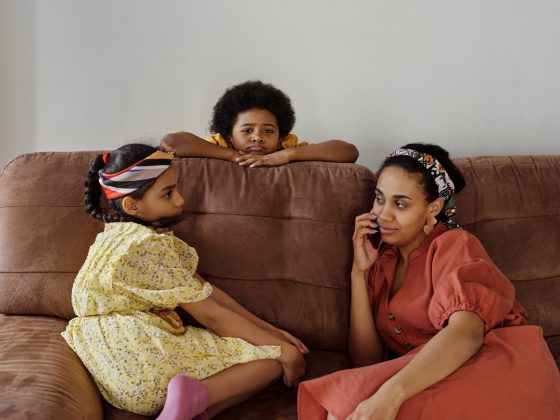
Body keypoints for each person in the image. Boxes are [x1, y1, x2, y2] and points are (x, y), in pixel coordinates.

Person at [297, 144, 560, 419]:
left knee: (350, 408)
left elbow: (467, 334)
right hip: (437, 377)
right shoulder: (382, 260)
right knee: (346, 402)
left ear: (433, 207)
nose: (383, 214)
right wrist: (358, 273)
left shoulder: (454, 245)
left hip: (498, 369)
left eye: (400, 204)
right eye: (379, 199)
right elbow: (367, 361)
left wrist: (389, 396)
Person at [61, 143, 308, 419]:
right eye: (168, 193)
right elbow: (211, 314)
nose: (180, 200)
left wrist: (273, 332)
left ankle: (188, 411)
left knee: (270, 349)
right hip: (144, 358)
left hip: (112, 371)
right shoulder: (149, 245)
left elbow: (207, 292)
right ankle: (193, 397)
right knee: (271, 361)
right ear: (132, 205)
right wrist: (283, 351)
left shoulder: (114, 236)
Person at [160, 80, 359, 167]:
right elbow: (171, 143)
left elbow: (349, 151)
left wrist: (287, 155)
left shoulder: (285, 147)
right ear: (229, 135)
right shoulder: (221, 144)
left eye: (268, 131)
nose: (257, 137)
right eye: (247, 130)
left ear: (280, 137)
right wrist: (232, 156)